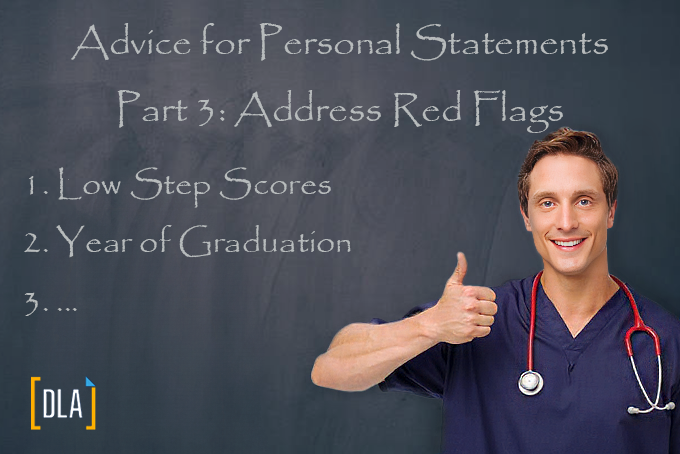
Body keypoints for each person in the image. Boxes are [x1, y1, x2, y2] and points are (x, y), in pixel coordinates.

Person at [311, 127, 680, 453]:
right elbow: (330, 368)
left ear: (610, 212)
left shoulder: (664, 340)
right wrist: (428, 327)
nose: (566, 222)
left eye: (584, 201)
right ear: (526, 216)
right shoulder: (477, 320)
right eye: (547, 203)